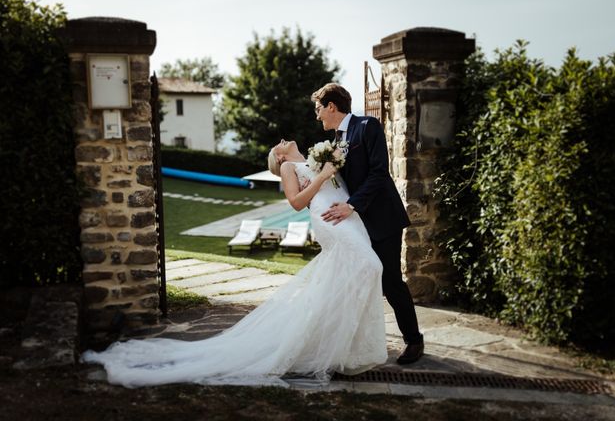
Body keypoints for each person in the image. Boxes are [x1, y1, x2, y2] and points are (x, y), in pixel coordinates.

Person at [82, 139, 388, 387]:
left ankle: (342, 346)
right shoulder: (289, 169)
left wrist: (329, 168)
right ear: (280, 158)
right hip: (326, 218)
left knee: (342, 279)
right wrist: (322, 174)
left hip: (347, 216)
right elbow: (295, 203)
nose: (282, 141)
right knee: (371, 266)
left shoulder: (313, 156)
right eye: (278, 144)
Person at [311, 82, 424, 364]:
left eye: (318, 109)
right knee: (355, 282)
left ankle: (414, 341)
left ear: (331, 107)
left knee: (390, 281)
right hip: (356, 225)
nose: (317, 115)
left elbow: (378, 173)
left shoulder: (367, 126)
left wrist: (351, 206)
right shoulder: (333, 143)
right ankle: (355, 345)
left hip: (382, 218)